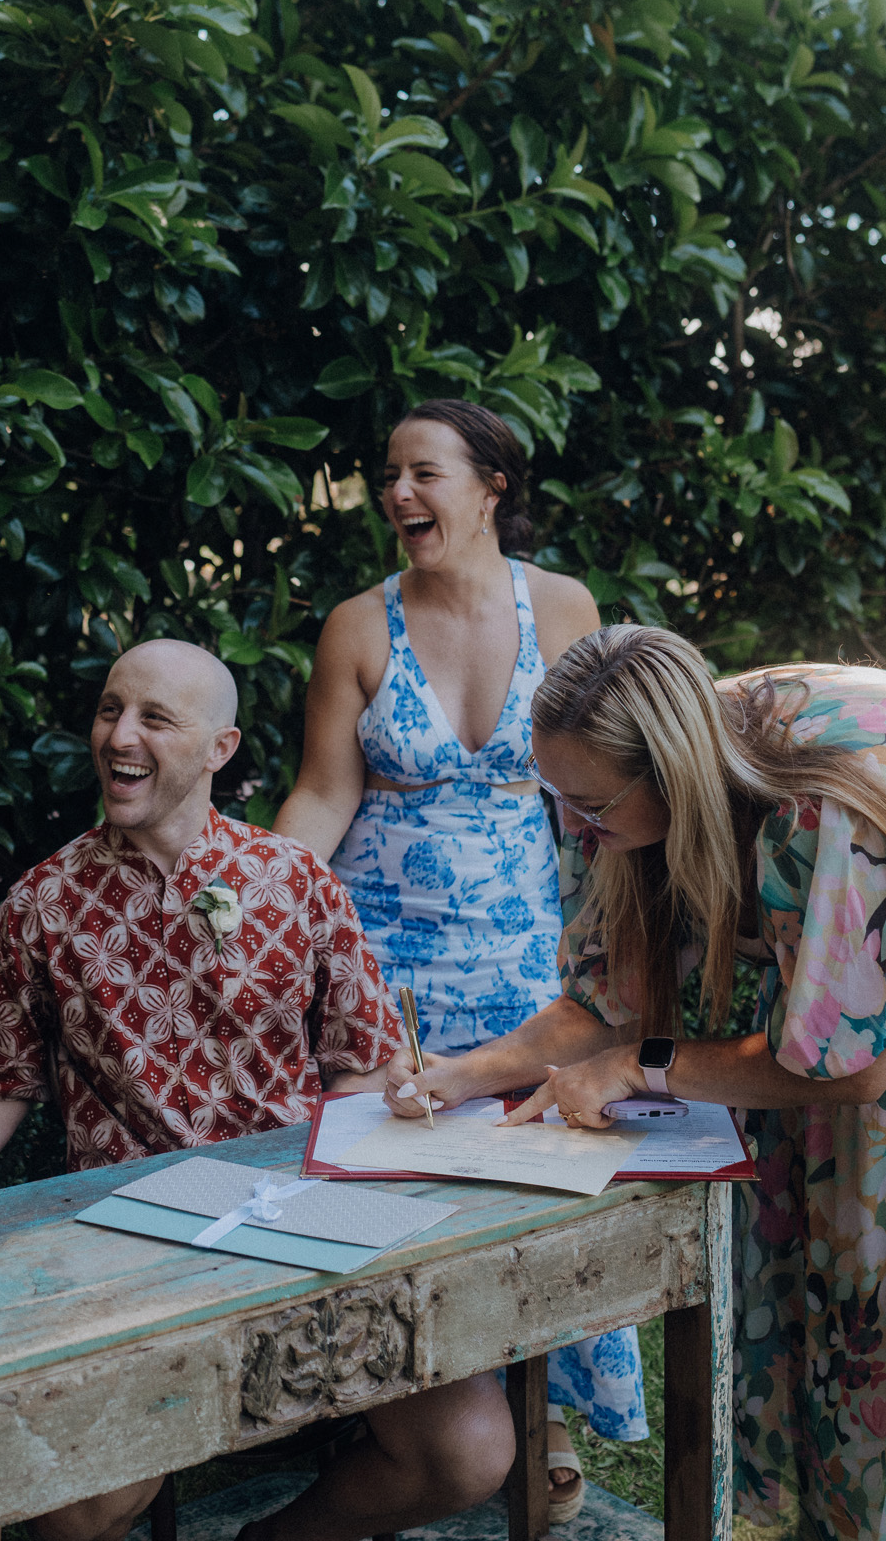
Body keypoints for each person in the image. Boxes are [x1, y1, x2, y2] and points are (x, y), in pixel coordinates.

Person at [388, 626, 886, 1540]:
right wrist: (463, 1073)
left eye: (588, 805)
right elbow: (604, 996)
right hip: (881, 990)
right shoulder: (612, 798)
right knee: (845, 1276)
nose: (570, 827)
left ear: (670, 774)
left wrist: (642, 1067)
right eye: (556, 795)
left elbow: (850, 1071)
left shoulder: (823, 816)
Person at [0, 639, 516, 1541]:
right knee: (84, 1508)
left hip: (300, 1232)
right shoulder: (42, 905)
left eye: (154, 719)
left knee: (470, 1450)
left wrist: (353, 1182)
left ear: (221, 748)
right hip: (135, 1251)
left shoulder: (294, 880)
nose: (118, 735)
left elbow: (360, 1065)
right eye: (108, 710)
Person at [271, 399, 634, 1513]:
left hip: (529, 949)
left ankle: (549, 1408)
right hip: (389, 963)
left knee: (546, 1183)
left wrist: (616, 937)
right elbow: (328, 792)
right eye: (387, 474)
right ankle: (413, 1404)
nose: (397, 495)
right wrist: (253, 898)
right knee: (415, 1186)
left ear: (490, 487)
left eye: (422, 472)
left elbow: (598, 780)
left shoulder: (566, 606)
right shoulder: (356, 625)